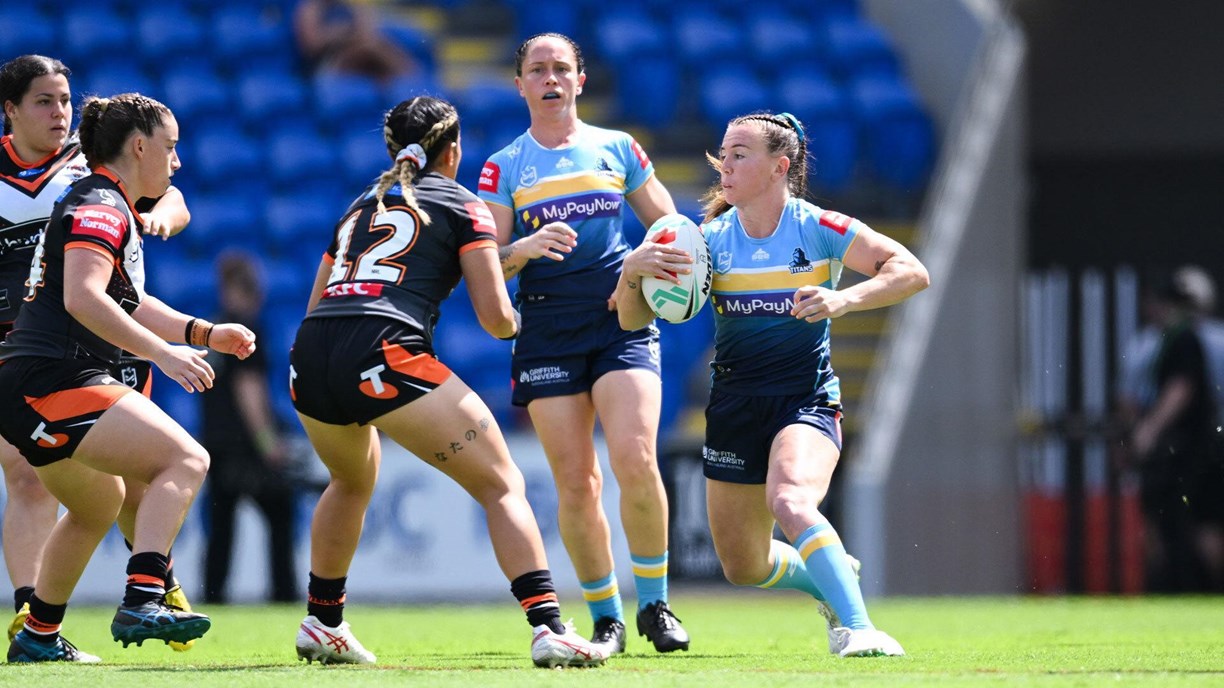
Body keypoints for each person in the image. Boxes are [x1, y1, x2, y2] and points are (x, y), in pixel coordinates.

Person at [288, 95, 607, 668]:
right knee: (502, 483)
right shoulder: (463, 202)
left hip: (310, 354)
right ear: (454, 149)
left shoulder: (360, 205)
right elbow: (495, 319)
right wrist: (523, 315)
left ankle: (323, 621)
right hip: (382, 350)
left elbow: (321, 300)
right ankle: (548, 627)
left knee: (349, 480)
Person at [616, 112, 928, 657]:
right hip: (734, 406)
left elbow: (910, 270)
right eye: (723, 153)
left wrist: (844, 298)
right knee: (743, 565)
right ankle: (830, 576)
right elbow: (630, 319)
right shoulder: (707, 241)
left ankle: (858, 627)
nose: (724, 165)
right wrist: (633, 271)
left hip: (805, 400)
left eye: (740, 154)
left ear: (779, 167)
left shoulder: (818, 226)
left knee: (790, 498)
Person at [0, 92, 256, 662]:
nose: (177, 161)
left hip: (35, 379)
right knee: (187, 460)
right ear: (139, 146)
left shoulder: (103, 202)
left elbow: (127, 301)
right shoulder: (100, 206)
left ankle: (37, 635)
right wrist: (164, 354)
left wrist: (204, 333)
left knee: (99, 504)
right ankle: (145, 596)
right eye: (171, 147)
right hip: (55, 376)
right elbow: (85, 297)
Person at [478, 32, 690, 656]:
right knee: (578, 482)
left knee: (636, 459)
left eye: (561, 69)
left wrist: (656, 253)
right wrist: (523, 248)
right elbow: (488, 260)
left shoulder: (618, 148)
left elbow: (672, 227)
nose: (550, 79)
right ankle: (606, 618)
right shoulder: (504, 165)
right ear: (520, 84)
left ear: (580, 80)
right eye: (537, 70)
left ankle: (655, 606)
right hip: (547, 330)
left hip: (619, 319)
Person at [1118, 266, 1223, 592]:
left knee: (1171, 523)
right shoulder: (1175, 340)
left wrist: (1145, 431)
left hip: (1182, 447)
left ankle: (1173, 587)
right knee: (1203, 522)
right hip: (1206, 443)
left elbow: (1172, 390)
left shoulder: (1162, 341)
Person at [201, 251, 298, 604]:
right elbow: (249, 390)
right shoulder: (247, 331)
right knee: (280, 512)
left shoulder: (212, 330)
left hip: (215, 442)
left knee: (221, 524)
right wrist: (266, 440)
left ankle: (213, 595)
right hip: (246, 445)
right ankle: (283, 593)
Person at [293, 0, 417, 84]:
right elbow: (313, 44)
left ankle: (408, 81)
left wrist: (338, 33)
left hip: (359, 53)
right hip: (329, 63)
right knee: (371, 49)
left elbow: (368, 33)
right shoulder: (311, 9)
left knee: (373, 47)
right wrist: (346, 34)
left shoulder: (353, 6)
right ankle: (410, 77)